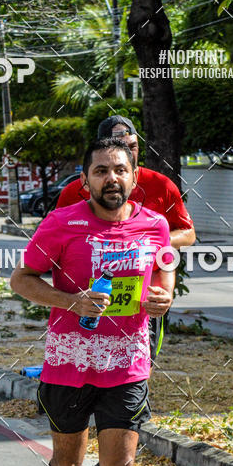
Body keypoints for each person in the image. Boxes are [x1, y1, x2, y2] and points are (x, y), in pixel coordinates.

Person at [10, 137, 174, 466]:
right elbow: (21, 280)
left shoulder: (154, 226)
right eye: (100, 171)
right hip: (68, 363)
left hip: (126, 365)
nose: (111, 178)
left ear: (134, 175)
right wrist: (70, 301)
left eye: (119, 169)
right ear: (85, 180)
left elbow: (163, 278)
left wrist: (164, 298)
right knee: (67, 463)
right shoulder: (61, 223)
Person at [57, 115, 195, 360]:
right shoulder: (72, 192)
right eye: (120, 147)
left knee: (141, 365)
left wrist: (143, 243)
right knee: (85, 362)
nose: (129, 153)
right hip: (89, 293)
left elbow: (187, 234)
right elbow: (53, 245)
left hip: (144, 294)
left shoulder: (161, 185)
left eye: (133, 146)